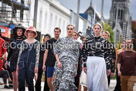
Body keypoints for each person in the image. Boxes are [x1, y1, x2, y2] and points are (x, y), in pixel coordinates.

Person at [82, 23, 110, 91]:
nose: (97, 30)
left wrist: (108, 67)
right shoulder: (88, 40)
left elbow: (107, 54)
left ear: (101, 30)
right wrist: (84, 65)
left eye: (98, 28)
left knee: (97, 81)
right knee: (90, 82)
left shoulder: (105, 41)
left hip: (100, 61)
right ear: (93, 29)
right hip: (90, 60)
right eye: (95, 28)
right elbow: (84, 53)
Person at [53, 24, 80, 91]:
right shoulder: (61, 40)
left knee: (64, 84)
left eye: (71, 29)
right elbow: (56, 51)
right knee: (58, 84)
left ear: (73, 30)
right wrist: (58, 62)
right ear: (66, 30)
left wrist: (76, 70)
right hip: (60, 65)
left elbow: (76, 57)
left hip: (70, 66)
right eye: (68, 29)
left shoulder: (76, 43)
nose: (69, 30)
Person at [17, 26, 40, 91]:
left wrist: (36, 66)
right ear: (27, 33)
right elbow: (20, 54)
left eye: (32, 32)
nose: (30, 33)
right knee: (21, 80)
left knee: (30, 81)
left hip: (31, 64)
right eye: (29, 32)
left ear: (34, 34)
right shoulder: (23, 42)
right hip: (22, 63)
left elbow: (38, 55)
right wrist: (18, 64)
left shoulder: (37, 43)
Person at [5, 24, 25, 91]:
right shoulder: (12, 40)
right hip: (13, 60)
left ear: (23, 32)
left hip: (21, 60)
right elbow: (10, 51)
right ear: (16, 31)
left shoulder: (24, 41)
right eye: (18, 31)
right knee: (14, 78)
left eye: (21, 31)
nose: (19, 32)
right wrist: (7, 61)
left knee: (18, 76)